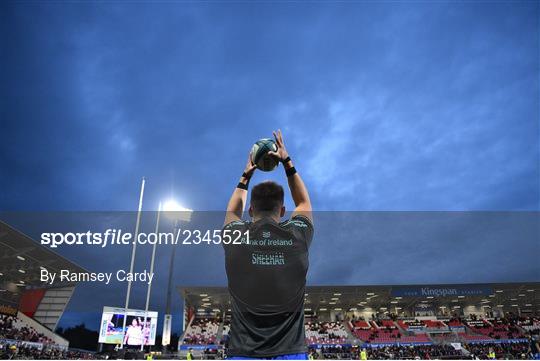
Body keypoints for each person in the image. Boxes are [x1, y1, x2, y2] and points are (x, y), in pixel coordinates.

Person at [223, 130, 313, 360]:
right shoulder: (297, 236)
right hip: (291, 353)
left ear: (251, 209)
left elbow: (232, 212)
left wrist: (245, 175)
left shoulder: (236, 238)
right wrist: (287, 162)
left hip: (243, 354)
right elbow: (303, 203)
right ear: (283, 211)